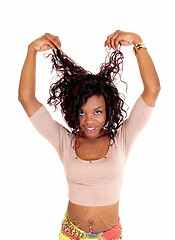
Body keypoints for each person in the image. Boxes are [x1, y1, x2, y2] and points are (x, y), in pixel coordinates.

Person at [18, 30, 161, 240]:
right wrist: (31, 50)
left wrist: (137, 42)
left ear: (108, 110)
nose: (89, 120)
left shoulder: (121, 139)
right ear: (73, 111)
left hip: (111, 235)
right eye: (82, 112)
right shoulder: (65, 141)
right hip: (70, 234)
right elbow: (26, 98)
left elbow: (153, 89)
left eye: (97, 111)